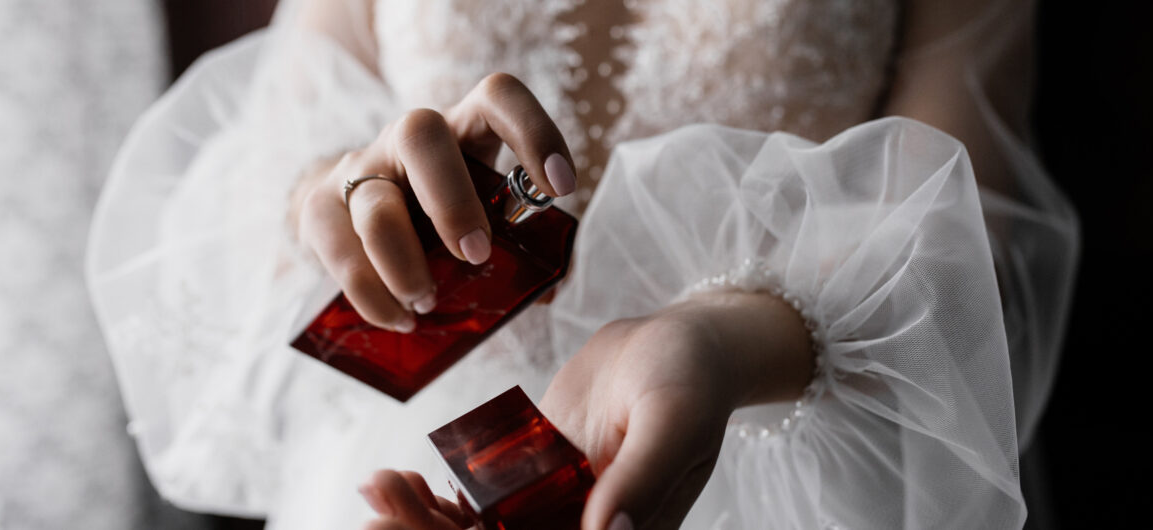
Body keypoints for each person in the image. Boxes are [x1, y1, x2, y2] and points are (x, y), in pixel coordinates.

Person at [85, 0, 1078, 528]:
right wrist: (343, 195)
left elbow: (966, 239)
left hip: (778, 456)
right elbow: (270, 155)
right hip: (405, 473)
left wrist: (728, 341)